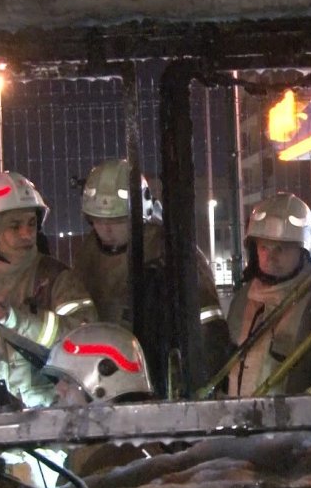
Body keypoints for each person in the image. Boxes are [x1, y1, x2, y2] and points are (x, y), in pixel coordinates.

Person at [72, 159, 229, 396]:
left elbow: (209, 326)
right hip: (102, 382)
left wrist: (206, 383)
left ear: (140, 213)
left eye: (116, 220)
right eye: (98, 220)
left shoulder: (170, 251)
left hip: (161, 379)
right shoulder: (88, 253)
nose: (106, 229)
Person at [0, 171, 97, 408]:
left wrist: (19, 321)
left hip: (49, 417)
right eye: (15, 226)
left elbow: (87, 336)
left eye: (31, 224)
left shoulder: (56, 278)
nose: (26, 234)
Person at [226, 192, 311, 396]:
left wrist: (304, 408)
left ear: (303, 251)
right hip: (238, 423)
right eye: (264, 247)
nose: (270, 257)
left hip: (297, 425)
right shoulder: (243, 298)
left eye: (281, 249)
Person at [42, 322, 162, 478]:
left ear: (101, 389)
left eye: (68, 380)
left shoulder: (116, 461)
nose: (58, 389)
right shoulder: (104, 450)